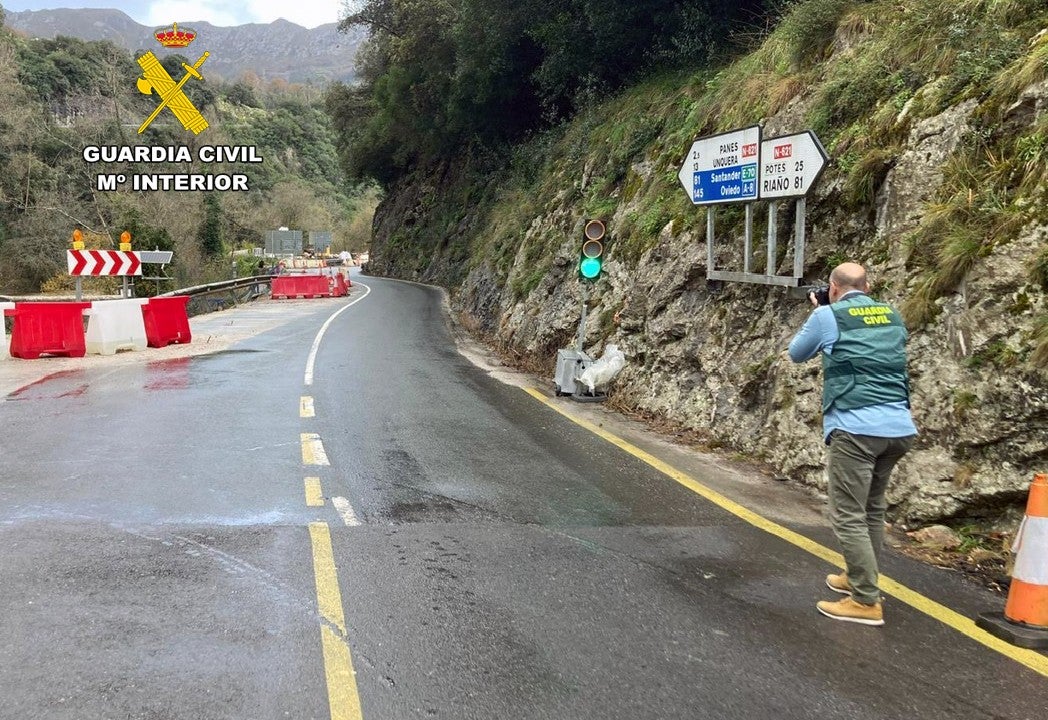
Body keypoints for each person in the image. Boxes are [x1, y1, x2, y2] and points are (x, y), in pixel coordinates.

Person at [788, 262, 918, 626]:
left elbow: (797, 353)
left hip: (857, 428)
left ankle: (865, 600)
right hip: (899, 427)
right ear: (868, 285)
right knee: (873, 509)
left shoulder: (828, 317)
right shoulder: (891, 314)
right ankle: (858, 576)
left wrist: (819, 313)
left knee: (847, 514)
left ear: (832, 287)